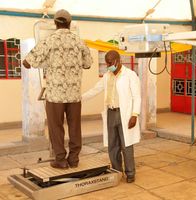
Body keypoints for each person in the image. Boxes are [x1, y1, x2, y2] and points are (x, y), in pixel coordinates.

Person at [22, 9, 92, 169]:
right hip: (74, 95)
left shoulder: (49, 41)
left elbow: (27, 62)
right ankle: (74, 159)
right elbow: (87, 64)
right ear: (69, 23)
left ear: (55, 23)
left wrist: (47, 62)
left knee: (56, 127)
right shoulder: (79, 42)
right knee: (75, 127)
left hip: (55, 96)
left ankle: (60, 159)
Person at [82, 50, 141, 183]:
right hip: (111, 113)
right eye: (106, 62)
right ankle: (117, 172)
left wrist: (135, 115)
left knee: (126, 145)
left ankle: (130, 173)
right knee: (113, 146)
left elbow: (137, 96)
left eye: (109, 62)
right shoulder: (107, 76)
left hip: (125, 114)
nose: (107, 65)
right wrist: (79, 98)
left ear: (117, 60)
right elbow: (95, 89)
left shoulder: (130, 75)